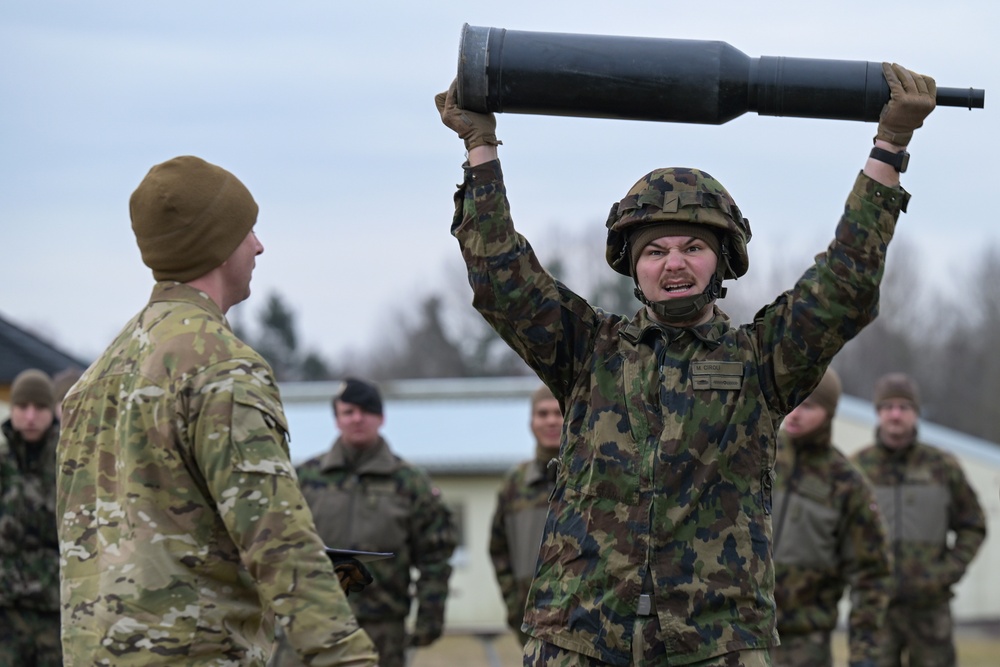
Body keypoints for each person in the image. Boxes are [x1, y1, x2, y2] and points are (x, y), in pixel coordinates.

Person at [435, 61, 936, 667]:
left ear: (721, 261)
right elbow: (501, 280)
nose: (674, 263)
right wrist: (480, 147)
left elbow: (845, 286)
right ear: (633, 267)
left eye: (693, 247)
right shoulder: (588, 352)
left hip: (716, 642)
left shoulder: (761, 361)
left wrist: (890, 145)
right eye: (656, 251)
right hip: (581, 636)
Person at [57, 156, 377, 666]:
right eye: (247, 228)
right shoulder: (220, 367)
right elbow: (277, 536)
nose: (259, 244)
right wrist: (347, 656)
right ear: (216, 244)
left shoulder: (91, 382)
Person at [271, 377, 457, 667]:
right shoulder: (305, 478)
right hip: (310, 621)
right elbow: (277, 546)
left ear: (381, 417)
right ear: (336, 420)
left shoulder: (409, 482)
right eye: (348, 412)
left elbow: (435, 556)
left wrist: (429, 617)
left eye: (366, 410)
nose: (357, 418)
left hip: (381, 628)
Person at [850, 373, 986, 667]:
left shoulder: (942, 467)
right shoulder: (857, 469)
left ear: (916, 413)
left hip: (929, 610)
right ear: (878, 413)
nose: (895, 414)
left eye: (903, 407)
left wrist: (946, 572)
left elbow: (973, 525)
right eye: (888, 407)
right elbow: (837, 531)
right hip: (876, 610)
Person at [770, 368, 890, 667]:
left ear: (829, 412)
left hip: (804, 645)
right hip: (738, 634)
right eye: (793, 400)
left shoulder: (846, 484)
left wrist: (864, 653)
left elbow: (871, 574)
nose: (795, 413)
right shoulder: (756, 454)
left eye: (809, 405)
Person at [489, 384, 564, 645]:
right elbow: (499, 550)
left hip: (586, 622)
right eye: (542, 414)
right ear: (531, 422)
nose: (551, 421)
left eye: (559, 412)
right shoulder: (515, 483)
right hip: (532, 622)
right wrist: (514, 606)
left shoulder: (592, 476)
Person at [0, 369, 61, 666]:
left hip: (56, 608)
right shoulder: (3, 460)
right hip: (6, 607)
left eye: (39, 407)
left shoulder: (69, 460)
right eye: (23, 407)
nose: (30, 416)